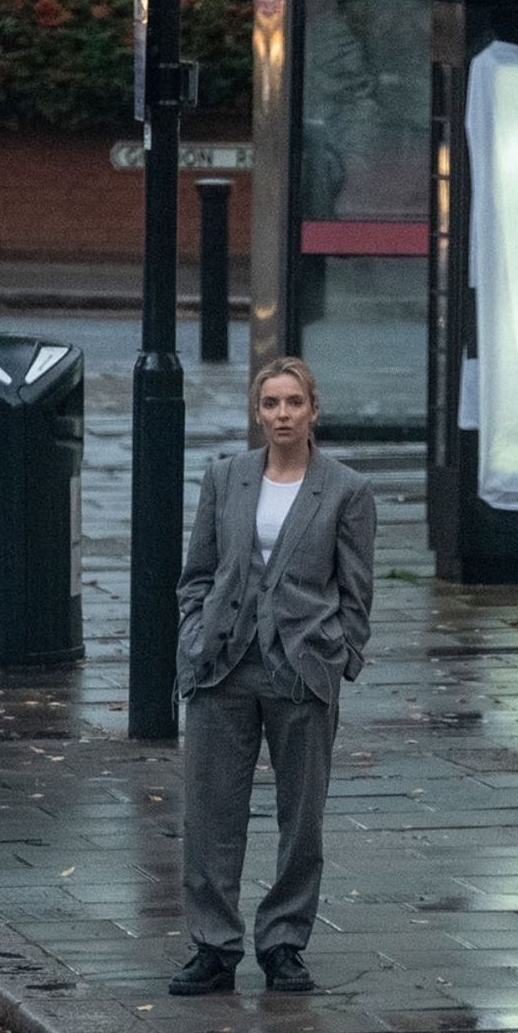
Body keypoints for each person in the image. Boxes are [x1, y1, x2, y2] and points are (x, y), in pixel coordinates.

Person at [169, 357, 376, 996]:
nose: (281, 415)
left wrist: (340, 653)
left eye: (293, 403)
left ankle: (284, 943)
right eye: (270, 404)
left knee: (301, 817)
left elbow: (356, 590)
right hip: (223, 665)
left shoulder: (345, 489)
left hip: (303, 668)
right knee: (210, 812)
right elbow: (198, 571)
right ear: (257, 413)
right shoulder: (225, 478)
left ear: (314, 411)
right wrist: (195, 632)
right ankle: (214, 946)